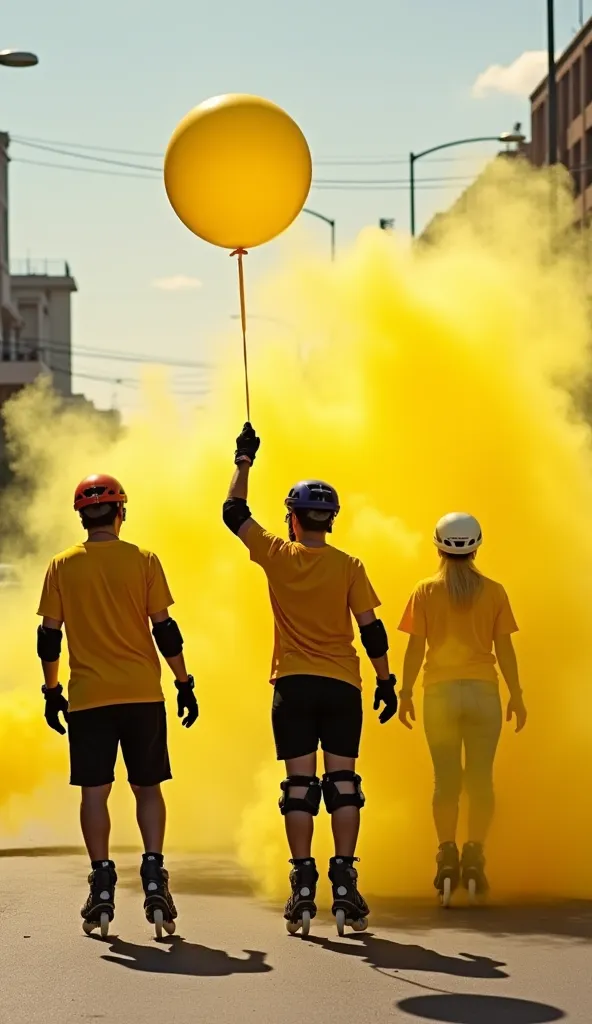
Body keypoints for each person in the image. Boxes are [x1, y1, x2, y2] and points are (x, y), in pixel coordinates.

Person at [222, 423, 397, 936]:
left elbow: (233, 513)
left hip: (293, 686)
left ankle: (302, 886)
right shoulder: (350, 565)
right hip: (342, 686)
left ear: (293, 519)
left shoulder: (277, 554)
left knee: (300, 788)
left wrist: (244, 459)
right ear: (331, 520)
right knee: (343, 784)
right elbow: (372, 630)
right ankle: (345, 882)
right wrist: (387, 681)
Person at [37, 473, 198, 938]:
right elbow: (165, 629)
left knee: (95, 793)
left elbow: (49, 638)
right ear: (121, 512)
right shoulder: (143, 560)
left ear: (82, 517)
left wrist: (51, 692)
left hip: (88, 700)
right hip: (142, 694)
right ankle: (153, 875)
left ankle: (102, 882)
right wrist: (184, 681)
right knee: (148, 788)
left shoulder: (61, 566)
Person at [397, 512, 527, 904]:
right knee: (481, 780)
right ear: (477, 546)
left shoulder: (423, 591)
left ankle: (446, 855)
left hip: (439, 693)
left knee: (446, 781)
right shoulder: (495, 591)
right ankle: (474, 854)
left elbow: (415, 647)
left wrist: (404, 692)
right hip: (484, 694)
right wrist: (516, 694)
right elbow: (504, 647)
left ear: (437, 546)